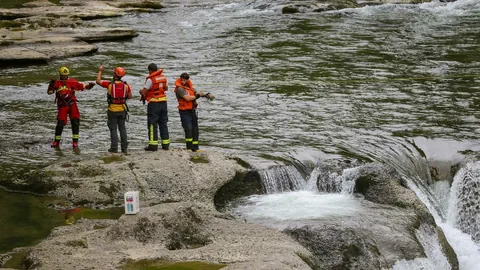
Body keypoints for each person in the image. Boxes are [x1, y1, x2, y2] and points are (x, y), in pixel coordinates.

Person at [47, 66, 95, 149]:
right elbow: (50, 92)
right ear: (60, 74)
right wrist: (51, 85)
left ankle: (75, 142)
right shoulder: (56, 82)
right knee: (60, 123)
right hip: (62, 105)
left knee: (75, 122)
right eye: (63, 75)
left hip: (72, 105)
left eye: (65, 75)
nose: (64, 77)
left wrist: (89, 86)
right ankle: (56, 141)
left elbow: (82, 86)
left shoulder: (72, 81)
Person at [96, 65, 132, 153]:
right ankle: (124, 148)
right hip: (122, 110)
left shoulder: (109, 85)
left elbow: (98, 81)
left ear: (115, 75)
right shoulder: (126, 85)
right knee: (122, 128)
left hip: (112, 110)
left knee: (113, 129)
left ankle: (114, 148)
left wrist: (100, 71)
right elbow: (130, 96)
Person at [174, 73, 215, 152]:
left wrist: (207, 94)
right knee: (188, 129)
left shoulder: (190, 87)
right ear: (180, 79)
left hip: (192, 111)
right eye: (182, 80)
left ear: (187, 80)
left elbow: (198, 92)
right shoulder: (180, 89)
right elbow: (187, 98)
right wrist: (197, 96)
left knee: (195, 129)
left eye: (185, 80)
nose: (183, 82)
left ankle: (195, 148)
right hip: (184, 112)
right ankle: (189, 148)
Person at [139, 63, 170, 151]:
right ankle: (165, 144)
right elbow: (166, 88)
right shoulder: (163, 78)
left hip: (154, 103)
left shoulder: (150, 80)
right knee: (163, 123)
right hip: (163, 102)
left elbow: (144, 92)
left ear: (150, 70)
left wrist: (140, 91)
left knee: (152, 124)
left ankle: (153, 145)